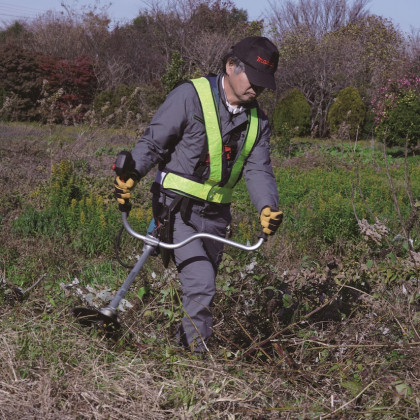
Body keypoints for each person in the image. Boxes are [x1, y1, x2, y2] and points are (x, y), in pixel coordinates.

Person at [114, 36, 283, 354]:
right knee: (202, 282)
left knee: (200, 290)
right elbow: (153, 142)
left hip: (216, 219)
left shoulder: (258, 122)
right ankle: (198, 365)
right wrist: (131, 174)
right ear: (231, 66)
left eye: (264, 83)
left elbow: (259, 170)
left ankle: (181, 348)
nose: (257, 89)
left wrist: (266, 207)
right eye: (253, 79)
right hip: (177, 211)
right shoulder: (190, 97)